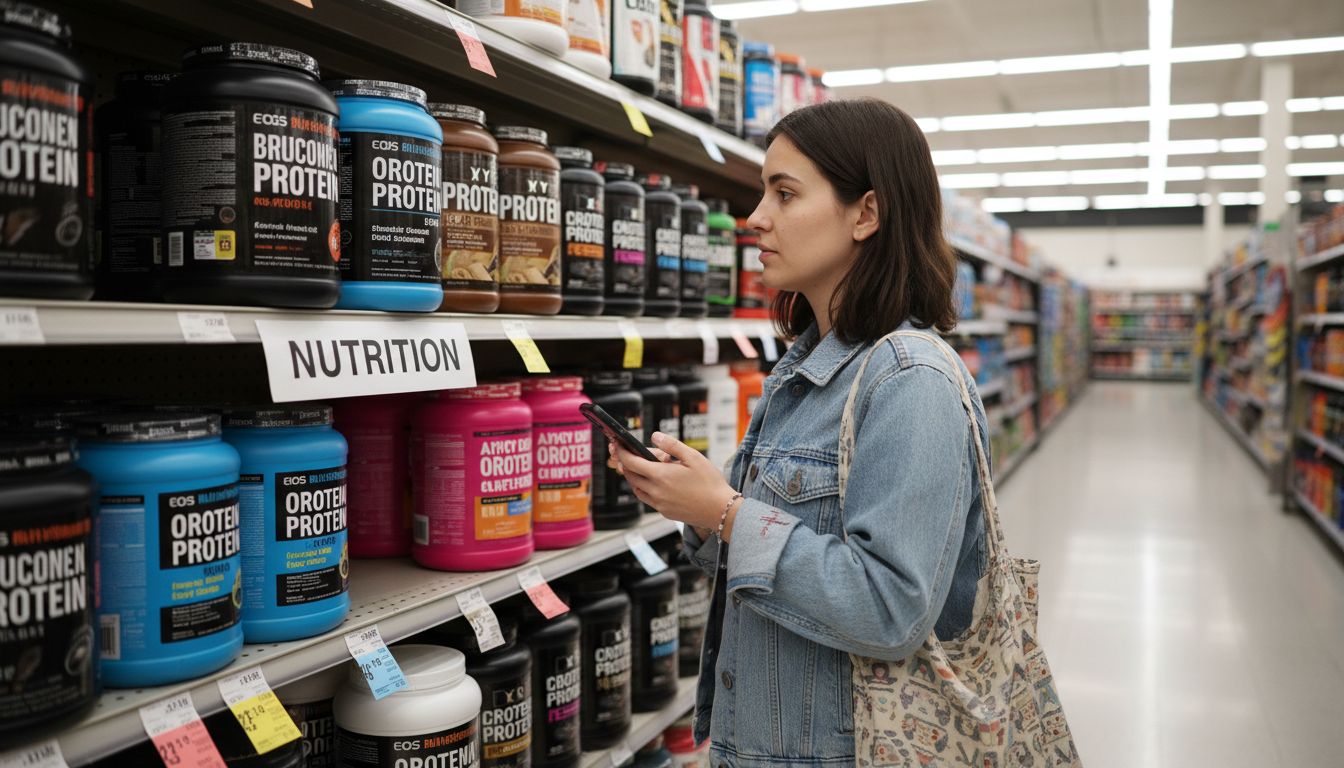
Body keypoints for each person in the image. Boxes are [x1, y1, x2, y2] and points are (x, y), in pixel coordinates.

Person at [608, 98, 990, 767]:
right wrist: (690, 505)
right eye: (764, 192)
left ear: (866, 214)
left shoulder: (911, 380)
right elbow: (761, 551)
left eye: (784, 193)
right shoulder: (804, 370)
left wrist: (726, 514)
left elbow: (892, 608)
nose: (756, 218)